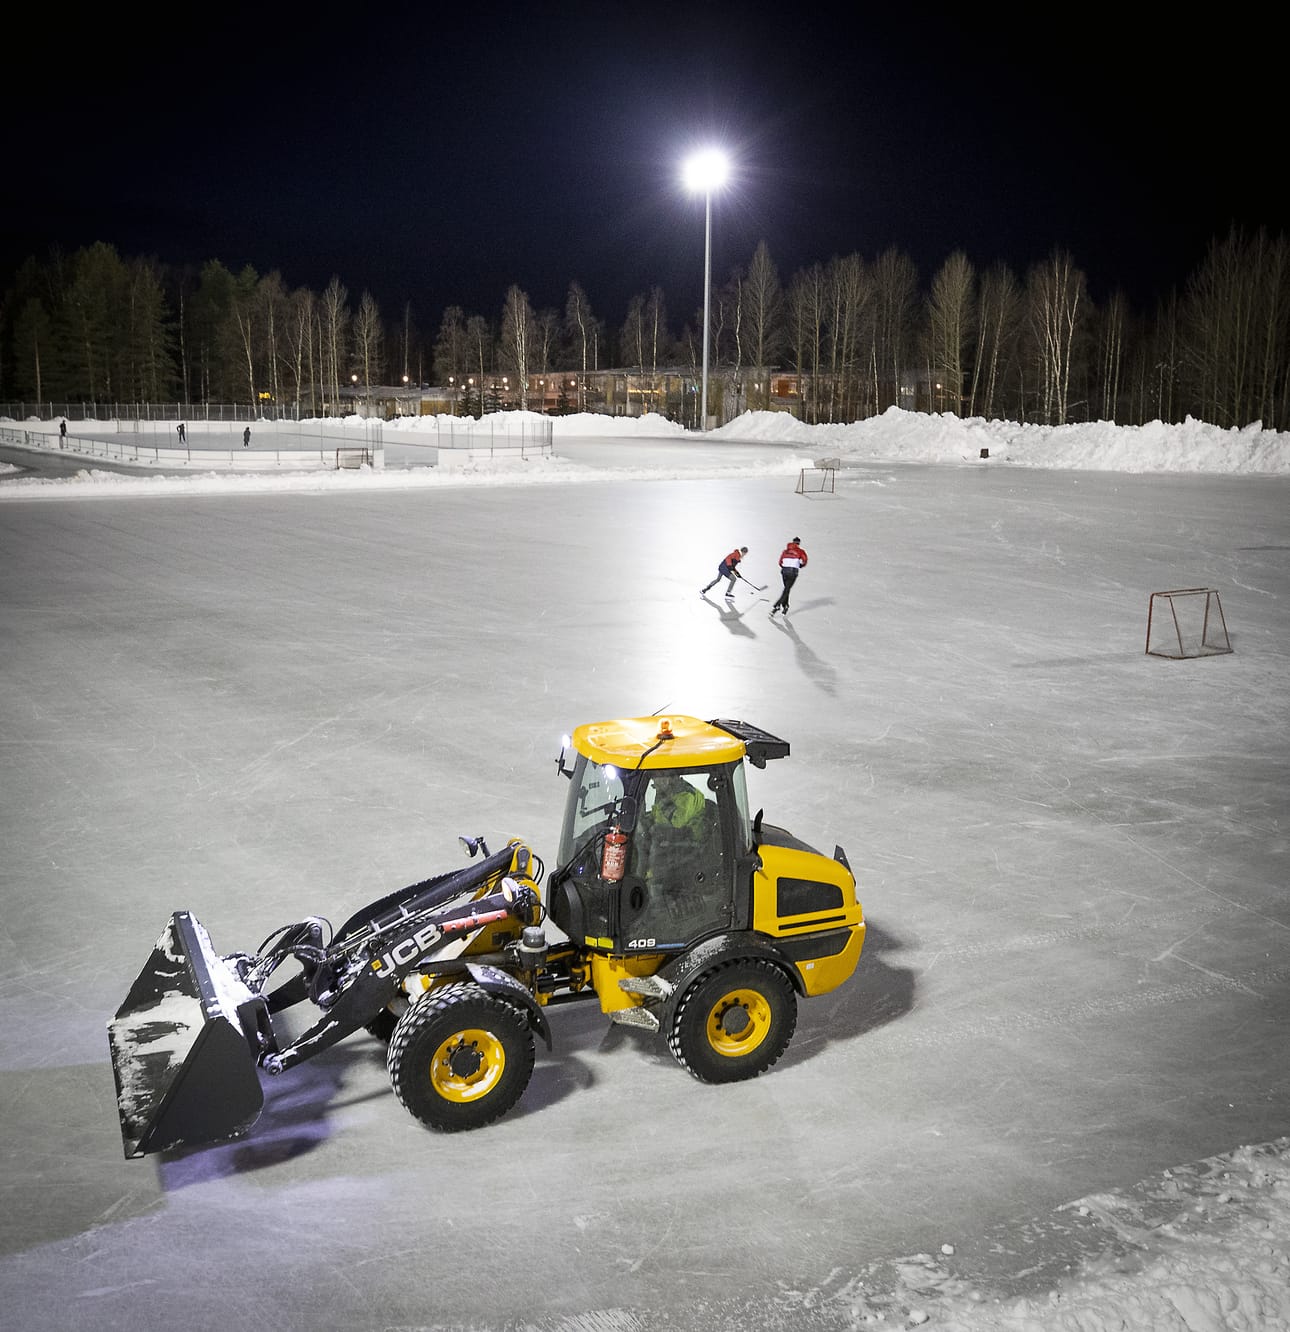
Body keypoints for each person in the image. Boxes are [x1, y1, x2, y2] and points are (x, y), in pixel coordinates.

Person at [771, 537, 808, 616]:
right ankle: (777, 605)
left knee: (786, 589)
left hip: (784, 572)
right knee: (787, 589)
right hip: (792, 572)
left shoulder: (785, 551)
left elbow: (780, 562)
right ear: (798, 543)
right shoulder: (800, 551)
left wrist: (785, 566)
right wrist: (800, 565)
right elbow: (805, 560)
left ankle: (785, 605)